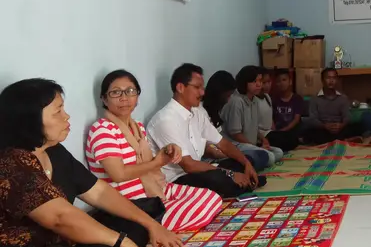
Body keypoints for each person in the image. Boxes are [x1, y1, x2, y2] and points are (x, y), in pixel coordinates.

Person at [0, 79, 183, 247]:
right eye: (58, 112)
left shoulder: (53, 151)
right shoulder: (11, 163)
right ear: (30, 121)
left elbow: (99, 191)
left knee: (140, 214)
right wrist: (126, 244)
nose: (67, 117)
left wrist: (151, 225)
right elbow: (60, 218)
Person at [86, 70, 223, 233]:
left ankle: (159, 221)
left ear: (137, 97)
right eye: (116, 92)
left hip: (155, 189)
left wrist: (168, 151)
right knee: (203, 208)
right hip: (131, 204)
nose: (124, 98)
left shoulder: (137, 127)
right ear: (104, 99)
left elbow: (150, 164)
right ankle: (150, 227)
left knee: (212, 198)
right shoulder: (102, 130)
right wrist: (157, 162)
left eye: (130, 91)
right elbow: (118, 175)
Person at [147, 64, 264, 199]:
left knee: (244, 161)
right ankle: (241, 184)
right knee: (217, 178)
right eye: (197, 87)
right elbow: (189, 165)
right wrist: (230, 174)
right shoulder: (165, 120)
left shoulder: (197, 113)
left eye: (202, 88)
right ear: (180, 88)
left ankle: (240, 183)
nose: (202, 93)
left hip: (198, 171)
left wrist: (246, 163)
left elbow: (223, 143)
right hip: (178, 179)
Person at [220, 65, 284, 165]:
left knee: (278, 152)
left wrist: (263, 139)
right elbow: (236, 134)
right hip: (236, 145)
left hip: (250, 144)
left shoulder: (255, 100)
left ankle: (254, 158)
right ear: (244, 82)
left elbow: (254, 127)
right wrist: (254, 147)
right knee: (270, 157)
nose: (259, 84)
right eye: (254, 81)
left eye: (260, 81)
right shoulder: (236, 101)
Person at [305, 68, 362, 144]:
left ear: (337, 80)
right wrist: (325, 126)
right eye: (328, 78)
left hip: (339, 128)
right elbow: (313, 119)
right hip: (323, 129)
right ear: (322, 80)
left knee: (358, 126)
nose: (331, 81)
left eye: (334, 78)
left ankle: (340, 140)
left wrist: (341, 125)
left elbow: (347, 116)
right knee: (309, 130)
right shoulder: (315, 99)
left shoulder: (343, 98)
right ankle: (343, 140)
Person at [257, 69, 299, 152]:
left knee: (292, 138)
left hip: (270, 132)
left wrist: (275, 131)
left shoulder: (267, 97)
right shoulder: (254, 100)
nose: (267, 85)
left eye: (269, 82)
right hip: (261, 134)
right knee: (289, 141)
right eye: (264, 82)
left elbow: (270, 118)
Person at [272, 69, 304, 142]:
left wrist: (284, 130)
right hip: (278, 132)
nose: (282, 83)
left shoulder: (297, 98)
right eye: (278, 81)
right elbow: (271, 119)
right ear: (276, 84)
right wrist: (275, 132)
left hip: (293, 132)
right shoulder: (273, 99)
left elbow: (296, 119)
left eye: (284, 80)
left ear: (290, 82)